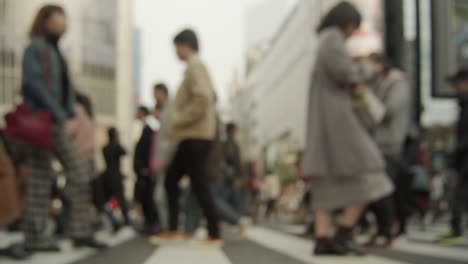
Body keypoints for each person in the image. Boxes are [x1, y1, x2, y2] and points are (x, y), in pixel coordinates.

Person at [302, 2, 393, 256]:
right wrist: (370, 69)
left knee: (327, 181)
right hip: (339, 122)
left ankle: (323, 238)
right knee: (372, 173)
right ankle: (343, 231)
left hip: (326, 123)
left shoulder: (322, 40)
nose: (354, 32)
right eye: (353, 27)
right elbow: (346, 72)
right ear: (347, 23)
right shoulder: (332, 40)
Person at [21, 5, 106, 251]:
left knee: (72, 173)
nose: (65, 24)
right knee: (43, 177)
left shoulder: (56, 52)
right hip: (43, 121)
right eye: (60, 19)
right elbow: (35, 85)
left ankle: (75, 231)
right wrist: (61, 115)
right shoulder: (36, 48)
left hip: (55, 121)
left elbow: (64, 90)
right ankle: (37, 236)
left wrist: (69, 114)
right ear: (46, 20)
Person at [156, 29, 221, 245]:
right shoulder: (194, 67)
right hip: (193, 136)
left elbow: (203, 98)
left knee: (194, 183)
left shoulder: (195, 66)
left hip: (195, 136)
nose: (175, 52)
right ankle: (178, 229)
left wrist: (179, 119)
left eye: (176, 46)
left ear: (186, 45)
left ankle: (214, 232)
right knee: (175, 180)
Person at [364, 54, 411, 247]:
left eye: (372, 65)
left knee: (385, 189)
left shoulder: (397, 84)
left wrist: (367, 97)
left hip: (390, 143)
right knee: (384, 188)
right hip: (377, 143)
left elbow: (387, 110)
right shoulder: (379, 84)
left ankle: (390, 229)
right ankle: (386, 228)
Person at [438, 69, 468, 244]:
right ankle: (455, 227)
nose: (455, 88)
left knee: (459, 194)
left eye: (458, 83)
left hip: (466, 156)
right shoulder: (463, 104)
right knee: (459, 193)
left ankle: (456, 228)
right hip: (463, 155)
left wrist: (458, 153)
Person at [134, 106, 160, 235]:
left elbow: (148, 150)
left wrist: (146, 167)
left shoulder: (148, 129)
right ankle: (149, 224)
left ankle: (151, 224)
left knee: (148, 198)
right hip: (145, 170)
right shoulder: (145, 129)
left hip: (146, 171)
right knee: (146, 198)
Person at [101, 127, 130, 231]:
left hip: (107, 176)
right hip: (116, 176)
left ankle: (114, 219)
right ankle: (125, 220)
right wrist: (118, 141)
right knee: (120, 199)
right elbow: (125, 152)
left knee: (110, 200)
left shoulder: (105, 148)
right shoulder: (116, 147)